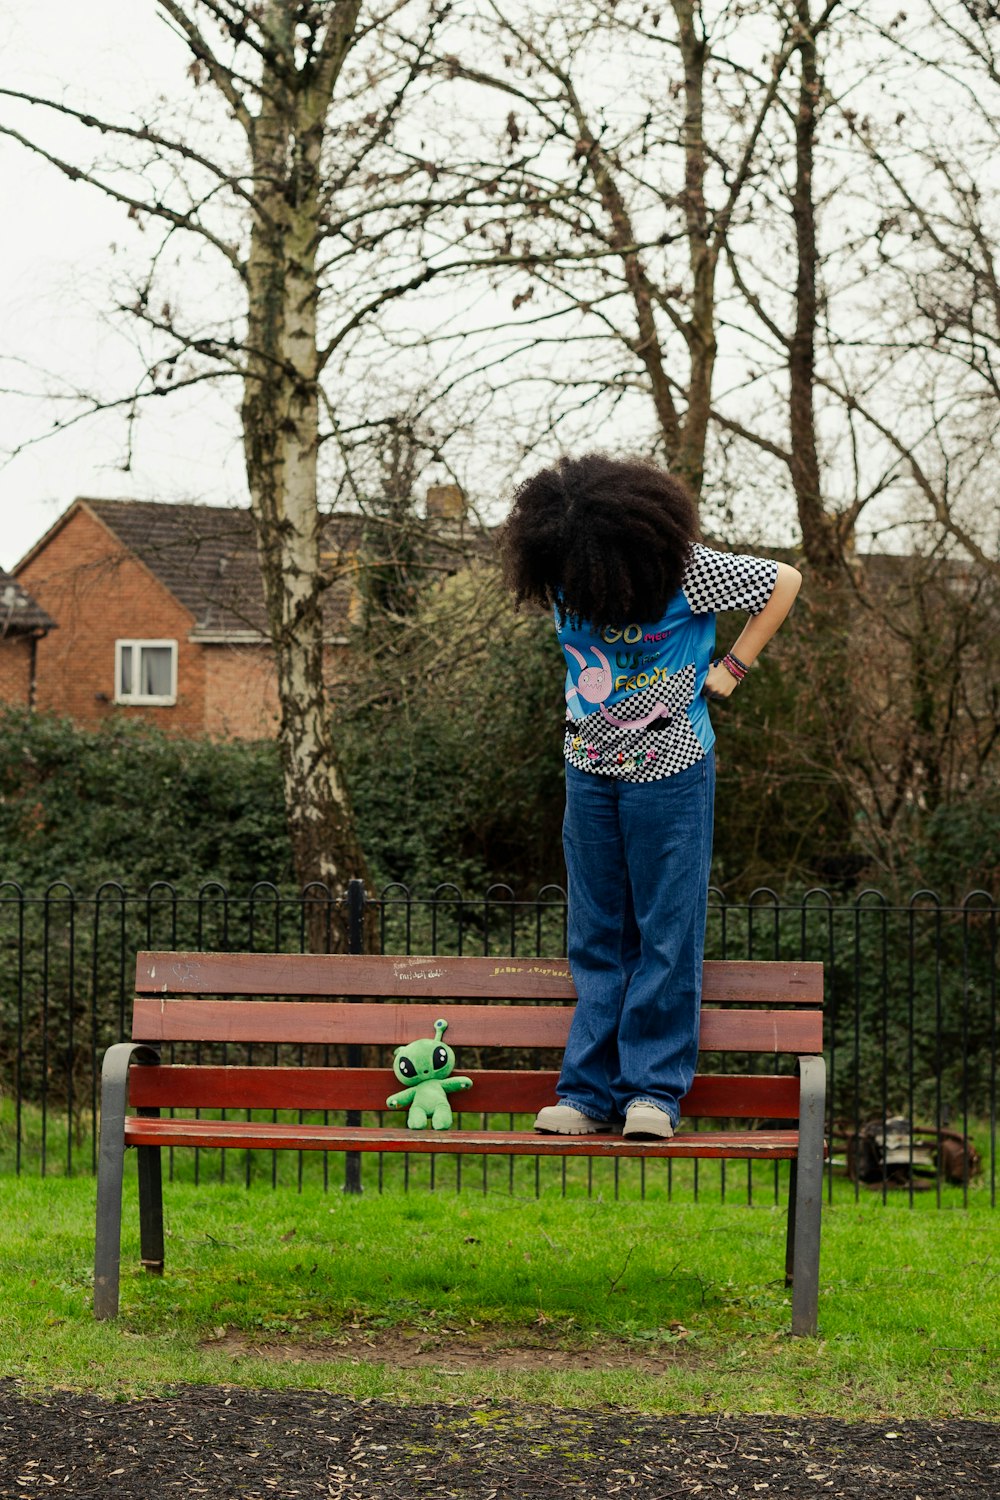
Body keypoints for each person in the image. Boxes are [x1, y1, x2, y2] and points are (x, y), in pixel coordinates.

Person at [498, 453, 802, 1140]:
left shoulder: (687, 569)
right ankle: (586, 1095)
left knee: (666, 935)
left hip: (674, 769)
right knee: (597, 937)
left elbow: (785, 580)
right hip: (588, 767)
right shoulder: (563, 571)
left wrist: (734, 665)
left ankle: (653, 1095)